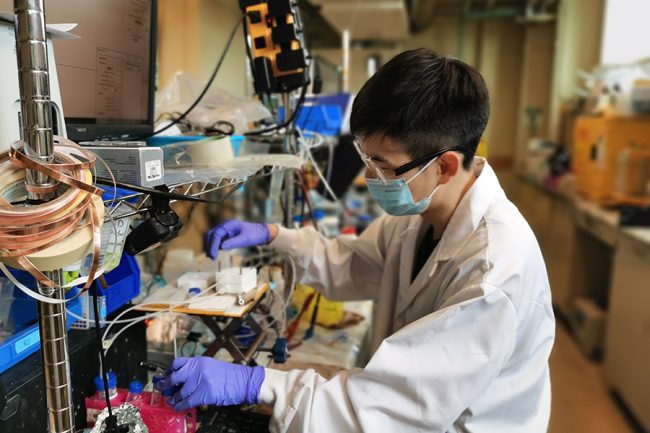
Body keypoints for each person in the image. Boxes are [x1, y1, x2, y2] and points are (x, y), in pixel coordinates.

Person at [156, 48, 556, 432]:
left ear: (446, 165)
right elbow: (352, 262)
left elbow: (392, 407)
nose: (369, 178)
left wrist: (255, 384)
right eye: (367, 159)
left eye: (383, 165)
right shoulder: (421, 214)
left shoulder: (494, 274)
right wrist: (274, 236)